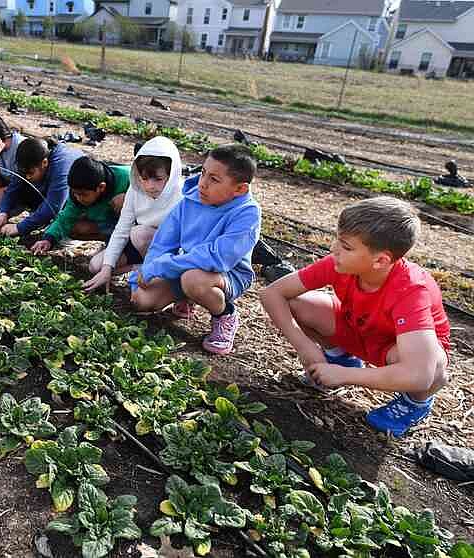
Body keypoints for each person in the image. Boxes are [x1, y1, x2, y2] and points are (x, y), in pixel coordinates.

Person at [259, 197, 451, 437]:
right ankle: (340, 358)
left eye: (346, 247)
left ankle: (414, 404)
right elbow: (272, 293)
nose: (333, 250)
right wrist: (305, 346)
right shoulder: (339, 264)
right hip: (359, 328)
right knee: (297, 303)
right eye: (338, 241)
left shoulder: (411, 290)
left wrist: (347, 377)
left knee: (433, 366)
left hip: (395, 349)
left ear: (381, 260)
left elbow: (419, 374)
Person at [130, 144, 261, 355]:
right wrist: (150, 269)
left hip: (228, 274)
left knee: (194, 280)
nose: (203, 184)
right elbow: (163, 242)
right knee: (141, 299)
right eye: (203, 173)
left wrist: (161, 267)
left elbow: (217, 258)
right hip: (188, 266)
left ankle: (225, 314)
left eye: (214, 180)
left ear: (240, 189)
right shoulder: (190, 200)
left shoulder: (247, 213)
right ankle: (186, 297)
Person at [83, 136, 184, 293]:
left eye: (158, 179)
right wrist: (107, 268)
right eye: (144, 178)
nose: (150, 186)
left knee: (140, 233)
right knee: (96, 266)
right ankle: (139, 267)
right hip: (141, 247)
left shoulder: (182, 196)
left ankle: (154, 274)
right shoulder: (135, 191)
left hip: (167, 253)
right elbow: (122, 229)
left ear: (171, 174)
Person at [30, 155, 130, 255]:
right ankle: (112, 240)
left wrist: (130, 198)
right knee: (74, 228)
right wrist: (48, 239)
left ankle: (128, 245)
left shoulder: (127, 177)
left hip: (134, 227)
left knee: (122, 201)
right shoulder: (78, 193)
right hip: (110, 224)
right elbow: (65, 218)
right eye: (75, 193)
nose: (78, 198)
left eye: (83, 194)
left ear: (101, 187)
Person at [0, 137, 82, 238]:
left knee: (74, 226)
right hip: (44, 191)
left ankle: (48, 223)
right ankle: (39, 217)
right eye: (25, 173)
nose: (27, 177)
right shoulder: (30, 160)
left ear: (44, 163)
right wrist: (3, 214)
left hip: (70, 199)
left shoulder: (61, 168)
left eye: (31, 173)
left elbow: (53, 206)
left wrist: (19, 228)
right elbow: (12, 188)